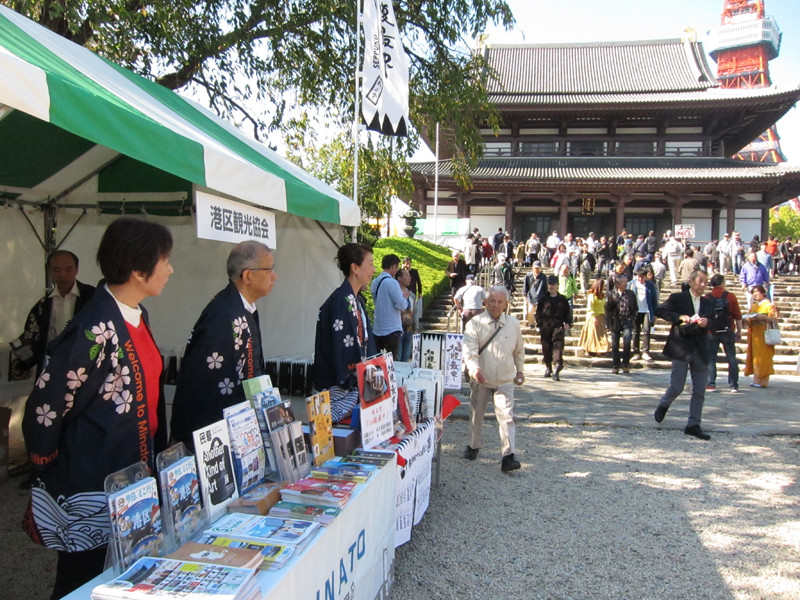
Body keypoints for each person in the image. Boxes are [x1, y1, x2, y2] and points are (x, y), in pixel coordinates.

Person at [22, 218, 173, 599]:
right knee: (82, 580)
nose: (170, 269)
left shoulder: (136, 314)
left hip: (130, 474)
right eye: (164, 260)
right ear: (138, 269)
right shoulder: (92, 329)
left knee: (122, 575)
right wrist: (48, 466)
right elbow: (46, 406)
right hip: (93, 482)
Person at [170, 241, 276, 446]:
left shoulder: (241, 307)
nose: (275, 275)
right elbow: (206, 385)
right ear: (248, 276)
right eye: (269, 269)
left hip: (240, 429)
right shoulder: (223, 314)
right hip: (215, 435)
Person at [462, 286, 525, 473]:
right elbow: (469, 349)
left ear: (506, 304)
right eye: (492, 301)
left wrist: (520, 370)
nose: (496, 305)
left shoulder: (513, 324)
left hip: (505, 379)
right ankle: (473, 445)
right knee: (476, 414)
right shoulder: (475, 323)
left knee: (507, 417)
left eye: (500, 302)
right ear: (485, 302)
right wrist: (474, 369)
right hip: (481, 377)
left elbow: (519, 349)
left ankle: (508, 456)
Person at [313, 243, 377, 422]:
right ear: (355, 268)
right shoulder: (340, 301)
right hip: (339, 391)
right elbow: (340, 349)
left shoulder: (354, 299)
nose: (373, 269)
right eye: (370, 263)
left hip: (354, 388)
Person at [10, 250, 96, 381]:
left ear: (76, 270)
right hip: (52, 367)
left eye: (68, 269)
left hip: (86, 367)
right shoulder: (43, 305)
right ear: (49, 271)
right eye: (57, 270)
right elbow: (31, 337)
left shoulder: (93, 297)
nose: (63, 275)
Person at [653, 270, 714, 441]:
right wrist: (679, 317)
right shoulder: (678, 298)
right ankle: (664, 403)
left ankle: (693, 424)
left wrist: (708, 322)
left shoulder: (708, 303)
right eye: (700, 281)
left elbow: (718, 322)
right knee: (677, 386)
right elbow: (660, 310)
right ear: (691, 281)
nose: (703, 285)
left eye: (705, 282)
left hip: (700, 349)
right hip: (681, 347)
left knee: (700, 389)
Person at [704, 274, 742, 393]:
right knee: (731, 358)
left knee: (711, 358)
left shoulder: (706, 297)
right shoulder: (730, 296)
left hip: (711, 331)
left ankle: (710, 384)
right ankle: (733, 385)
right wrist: (739, 331)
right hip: (727, 329)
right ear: (722, 283)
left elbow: (704, 316)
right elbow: (737, 315)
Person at [371, 253, 412, 359]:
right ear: (393, 266)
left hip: (377, 329)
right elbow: (401, 305)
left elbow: (377, 301)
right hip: (391, 329)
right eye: (397, 266)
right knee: (390, 362)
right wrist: (405, 298)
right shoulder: (392, 283)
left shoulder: (375, 282)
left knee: (379, 361)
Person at [535, 274, 572, 381]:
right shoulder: (543, 299)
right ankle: (548, 367)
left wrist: (568, 323)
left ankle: (557, 368)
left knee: (558, 347)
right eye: (550, 284)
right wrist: (540, 324)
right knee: (546, 347)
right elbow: (538, 313)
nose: (551, 286)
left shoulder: (562, 299)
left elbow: (567, 313)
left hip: (557, 325)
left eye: (553, 284)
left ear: (557, 285)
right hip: (546, 326)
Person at [743, 284, 780, 388]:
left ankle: (763, 380)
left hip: (764, 334)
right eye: (753, 292)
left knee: (763, 357)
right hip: (754, 334)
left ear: (763, 292)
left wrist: (762, 317)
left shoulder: (769, 305)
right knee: (755, 357)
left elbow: (774, 319)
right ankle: (756, 379)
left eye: (757, 292)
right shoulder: (754, 306)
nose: (755, 294)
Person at [605, 275, 637, 374]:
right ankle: (616, 365)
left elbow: (635, 307)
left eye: (626, 282)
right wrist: (608, 324)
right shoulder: (612, 294)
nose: (625, 284)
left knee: (627, 343)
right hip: (616, 321)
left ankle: (625, 364)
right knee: (615, 345)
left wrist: (632, 318)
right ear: (617, 284)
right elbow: (608, 310)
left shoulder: (631, 294)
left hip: (627, 320)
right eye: (623, 282)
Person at [629, 269, 657, 361]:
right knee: (635, 332)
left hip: (647, 311)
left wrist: (655, 313)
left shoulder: (650, 285)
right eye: (638, 276)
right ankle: (636, 352)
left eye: (642, 277)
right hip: (636, 311)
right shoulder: (632, 284)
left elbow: (654, 299)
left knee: (646, 331)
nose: (640, 278)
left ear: (645, 276)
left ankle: (645, 351)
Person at [577, 278, 609, 356]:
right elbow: (590, 307)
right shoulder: (592, 295)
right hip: (593, 316)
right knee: (591, 335)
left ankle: (599, 349)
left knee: (600, 335)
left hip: (601, 316)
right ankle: (588, 349)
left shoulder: (602, 295)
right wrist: (594, 317)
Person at [395, 268, 416, 362]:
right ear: (399, 278)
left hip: (409, 329)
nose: (410, 278)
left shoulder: (411, 295)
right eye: (406, 275)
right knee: (397, 357)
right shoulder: (395, 293)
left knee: (406, 358)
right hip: (397, 329)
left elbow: (414, 312)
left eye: (409, 276)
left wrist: (416, 327)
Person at [523, 261, 547, 327]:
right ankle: (531, 324)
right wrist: (525, 295)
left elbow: (545, 288)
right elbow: (525, 286)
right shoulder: (528, 276)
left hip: (540, 297)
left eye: (538, 268)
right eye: (535, 268)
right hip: (531, 296)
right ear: (532, 268)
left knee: (540, 312)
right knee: (530, 311)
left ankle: (539, 325)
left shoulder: (543, 276)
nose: (536, 270)